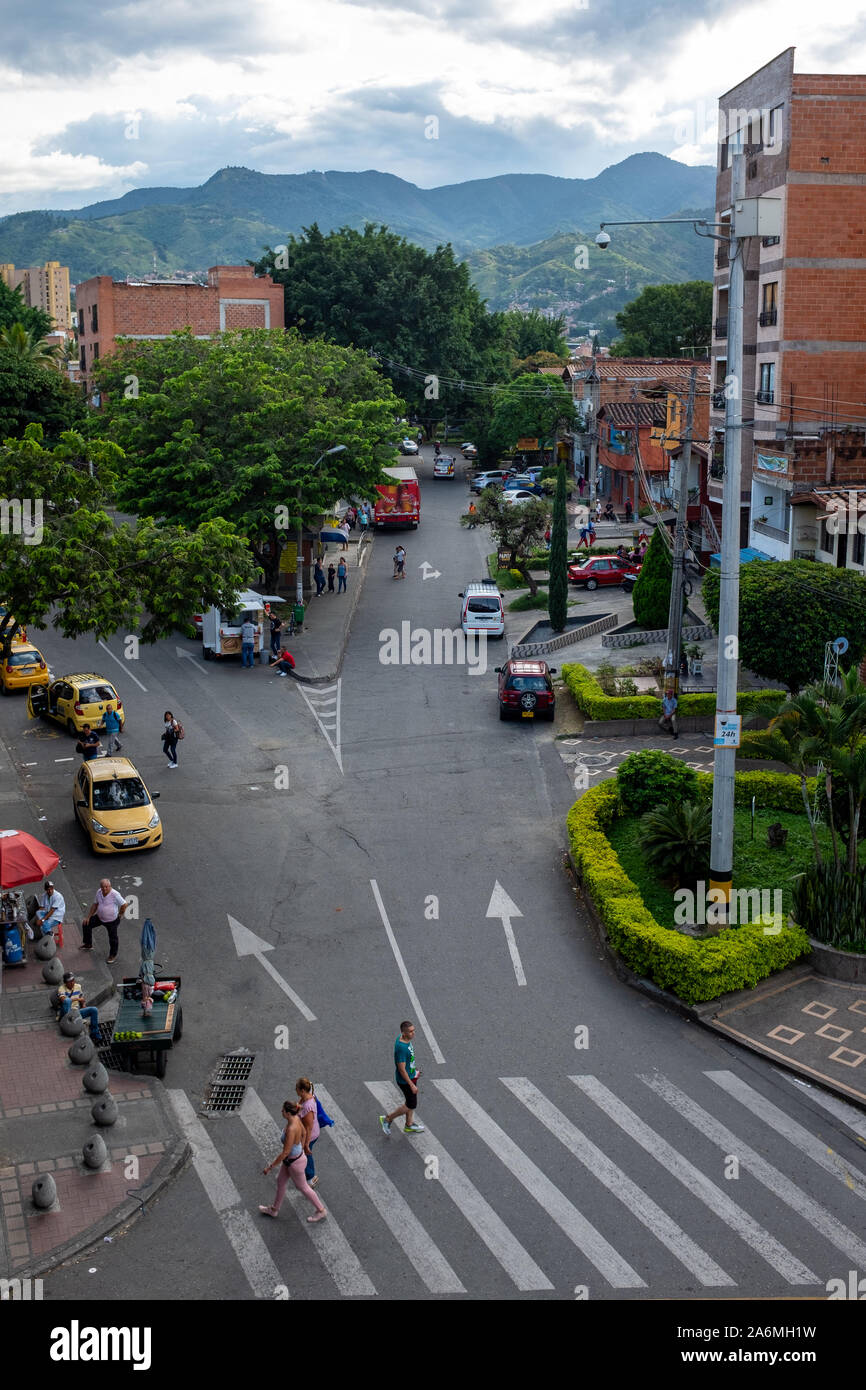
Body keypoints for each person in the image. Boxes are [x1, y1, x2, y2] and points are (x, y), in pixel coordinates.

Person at [260, 1099, 327, 1222]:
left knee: (303, 1187)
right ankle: (274, 1210)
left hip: (294, 1163)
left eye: (283, 1110)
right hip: (292, 1160)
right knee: (280, 1180)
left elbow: (285, 1152)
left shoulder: (291, 1129)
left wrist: (270, 1167)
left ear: (288, 1113)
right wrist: (301, 1147)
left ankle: (321, 1210)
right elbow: (304, 1132)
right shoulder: (296, 1119)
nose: (281, 1111)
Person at [379, 1020, 425, 1135]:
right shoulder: (401, 1048)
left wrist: (415, 1072)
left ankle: (409, 1125)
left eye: (413, 1030)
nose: (413, 1033)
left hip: (412, 1076)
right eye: (410, 1031)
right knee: (411, 1104)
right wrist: (411, 1084)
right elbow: (401, 1069)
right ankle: (388, 1118)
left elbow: (408, 1062)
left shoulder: (404, 1038)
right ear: (403, 1033)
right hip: (405, 1081)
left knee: (411, 1102)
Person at [82, 878, 130, 964]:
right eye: (102, 887)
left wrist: (120, 914)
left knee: (113, 939)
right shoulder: (99, 892)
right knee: (86, 924)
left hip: (112, 921)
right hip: (100, 918)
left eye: (106, 887)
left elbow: (124, 904)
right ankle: (88, 944)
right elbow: (95, 904)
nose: (104, 889)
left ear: (110, 886)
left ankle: (113, 955)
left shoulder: (115, 894)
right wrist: (88, 917)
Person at [56, 971, 100, 1042]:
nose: (72, 983)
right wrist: (77, 999)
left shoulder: (78, 987)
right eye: (70, 981)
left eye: (73, 980)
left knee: (94, 1010)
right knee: (67, 1001)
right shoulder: (61, 988)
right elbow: (63, 1000)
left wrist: (83, 1004)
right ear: (65, 983)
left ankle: (95, 1034)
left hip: (76, 1012)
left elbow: (82, 1000)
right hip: (65, 1013)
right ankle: (68, 1025)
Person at [296, 1078, 321, 1186]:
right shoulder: (307, 1097)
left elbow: (309, 1128)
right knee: (305, 1154)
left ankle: (310, 1177)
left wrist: (306, 1144)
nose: (295, 1091)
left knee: (306, 1154)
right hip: (307, 1133)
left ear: (302, 1090)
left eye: (296, 1089)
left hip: (309, 1136)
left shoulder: (308, 1106)